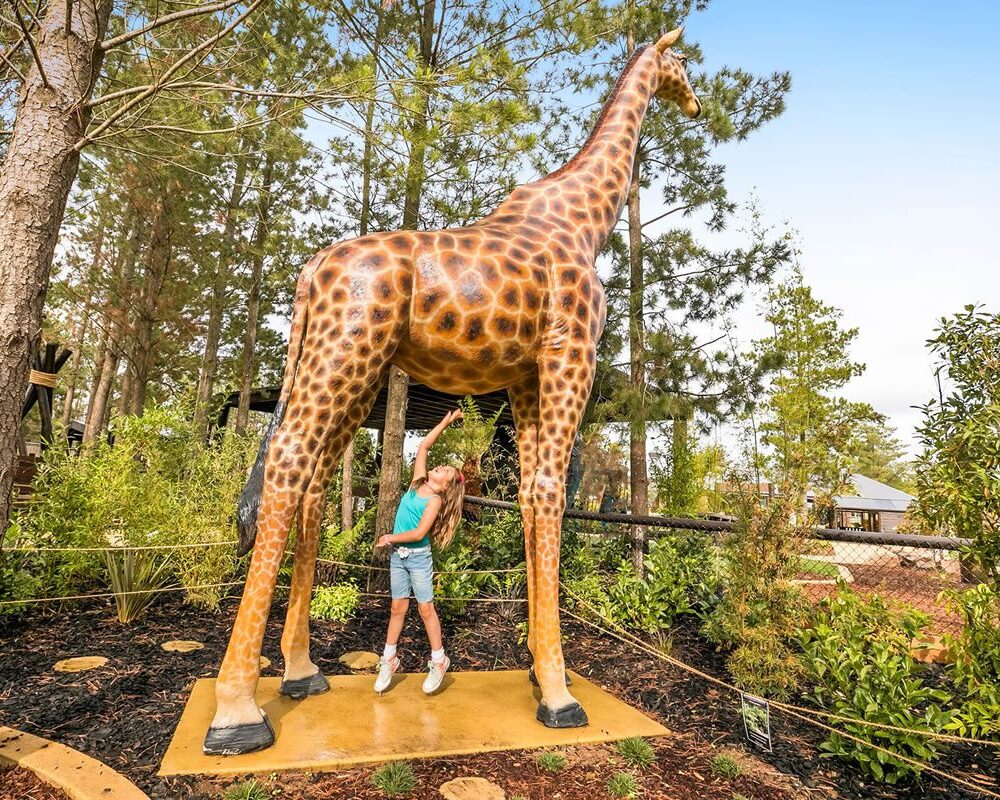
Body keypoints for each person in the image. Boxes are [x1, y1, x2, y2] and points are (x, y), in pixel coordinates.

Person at [373, 408, 466, 695]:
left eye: (446, 471)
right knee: (397, 607)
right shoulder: (417, 483)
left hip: (417, 558)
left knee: (426, 609)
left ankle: (439, 661)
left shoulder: (435, 501)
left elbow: (418, 534)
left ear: (446, 486)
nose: (440, 468)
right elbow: (425, 445)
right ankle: (389, 659)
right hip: (398, 559)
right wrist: (445, 422)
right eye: (441, 467)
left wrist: (389, 537)